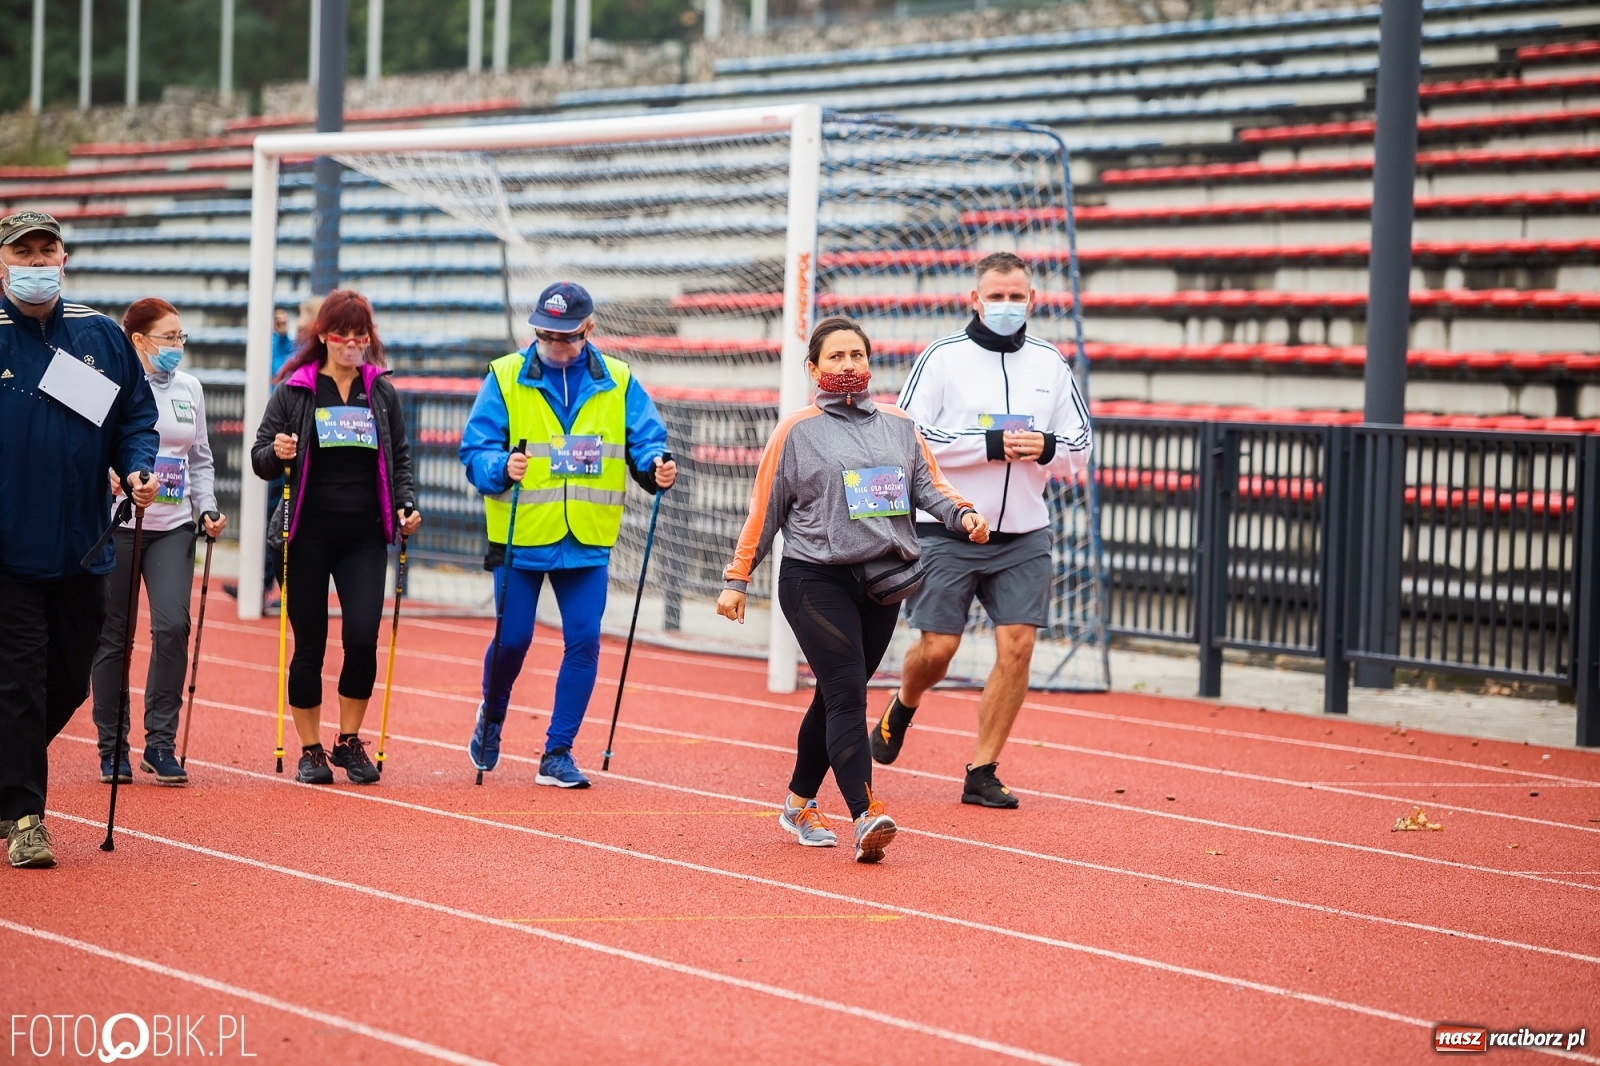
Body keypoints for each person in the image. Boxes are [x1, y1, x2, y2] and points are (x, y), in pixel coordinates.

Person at [717, 317, 989, 863]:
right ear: (814, 368)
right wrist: (738, 578)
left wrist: (961, 513)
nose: (847, 366)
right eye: (835, 357)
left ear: (870, 362)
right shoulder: (796, 431)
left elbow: (926, 485)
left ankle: (797, 803)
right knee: (847, 690)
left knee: (832, 695)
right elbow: (765, 510)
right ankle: (866, 814)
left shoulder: (899, 424)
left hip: (881, 581)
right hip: (814, 577)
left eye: (856, 356)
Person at [874, 251, 1092, 808]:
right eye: (994, 296)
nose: (1005, 305)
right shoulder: (943, 358)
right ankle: (905, 700)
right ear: (974, 299)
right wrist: (985, 445)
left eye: (1015, 296)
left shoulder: (1050, 365)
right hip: (948, 527)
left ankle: (983, 769)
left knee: (1017, 646)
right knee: (939, 648)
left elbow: (1081, 447)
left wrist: (1046, 448)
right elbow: (907, 434)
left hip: (1024, 533)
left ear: (1032, 300)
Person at [460, 281, 676, 789]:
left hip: (587, 541)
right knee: (513, 641)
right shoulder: (506, 375)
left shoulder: (619, 381)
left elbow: (646, 439)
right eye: (544, 335)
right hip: (520, 537)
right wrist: (500, 466)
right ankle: (491, 716)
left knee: (583, 641)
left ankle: (557, 751)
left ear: (588, 330)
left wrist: (656, 465)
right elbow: (475, 451)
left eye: (564, 337)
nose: (554, 345)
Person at [0, 210, 159, 869]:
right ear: (3, 262)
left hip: (85, 547)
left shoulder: (99, 336)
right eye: (24, 252)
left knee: (69, 676)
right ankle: (23, 817)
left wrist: (139, 463)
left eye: (48, 250)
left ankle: (8, 769)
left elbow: (134, 416)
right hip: (7, 551)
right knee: (20, 682)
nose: (38, 263)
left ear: (64, 257)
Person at [250, 290, 420, 786]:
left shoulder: (381, 393)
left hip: (364, 536)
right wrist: (278, 450)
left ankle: (348, 741)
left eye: (360, 335)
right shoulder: (294, 391)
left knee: (363, 638)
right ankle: (310, 749)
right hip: (305, 535)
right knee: (311, 644)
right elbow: (261, 457)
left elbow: (400, 461)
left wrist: (406, 506)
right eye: (343, 335)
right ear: (323, 336)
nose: (352, 344)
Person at [93, 298, 227, 788]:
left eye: (181, 338)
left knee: (172, 627)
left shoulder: (190, 388)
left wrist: (207, 505)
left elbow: (201, 459)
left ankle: (160, 745)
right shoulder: (114, 384)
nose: (177, 346)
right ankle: (112, 747)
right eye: (169, 338)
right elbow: (92, 445)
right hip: (121, 524)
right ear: (139, 341)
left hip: (172, 526)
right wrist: (108, 475)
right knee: (115, 637)